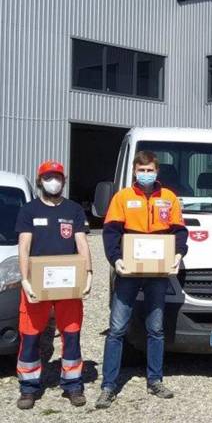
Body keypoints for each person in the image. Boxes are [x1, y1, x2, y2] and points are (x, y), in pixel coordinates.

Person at [96, 150, 187, 409]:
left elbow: (179, 231)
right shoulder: (122, 197)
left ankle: (155, 380)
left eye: (150, 170)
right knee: (117, 328)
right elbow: (111, 230)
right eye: (141, 170)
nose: (145, 174)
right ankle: (108, 385)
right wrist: (115, 259)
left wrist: (179, 253)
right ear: (135, 171)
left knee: (156, 328)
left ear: (157, 172)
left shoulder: (168, 198)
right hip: (129, 271)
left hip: (158, 273)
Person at [15, 160, 92, 410]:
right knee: (30, 335)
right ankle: (29, 388)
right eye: (49, 176)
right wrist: (25, 279)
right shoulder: (29, 210)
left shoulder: (73, 210)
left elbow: (82, 243)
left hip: (68, 285)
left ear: (64, 180)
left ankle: (72, 385)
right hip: (37, 284)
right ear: (40, 180)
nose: (54, 181)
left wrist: (88, 273)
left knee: (71, 334)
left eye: (58, 176)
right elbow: (24, 246)